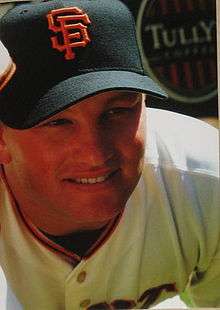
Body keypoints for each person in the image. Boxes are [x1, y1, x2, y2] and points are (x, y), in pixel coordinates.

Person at [0, 0, 219, 309]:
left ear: (144, 105)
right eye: (57, 121)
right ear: (2, 139)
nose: (95, 153)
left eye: (117, 111)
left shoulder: (205, 176)